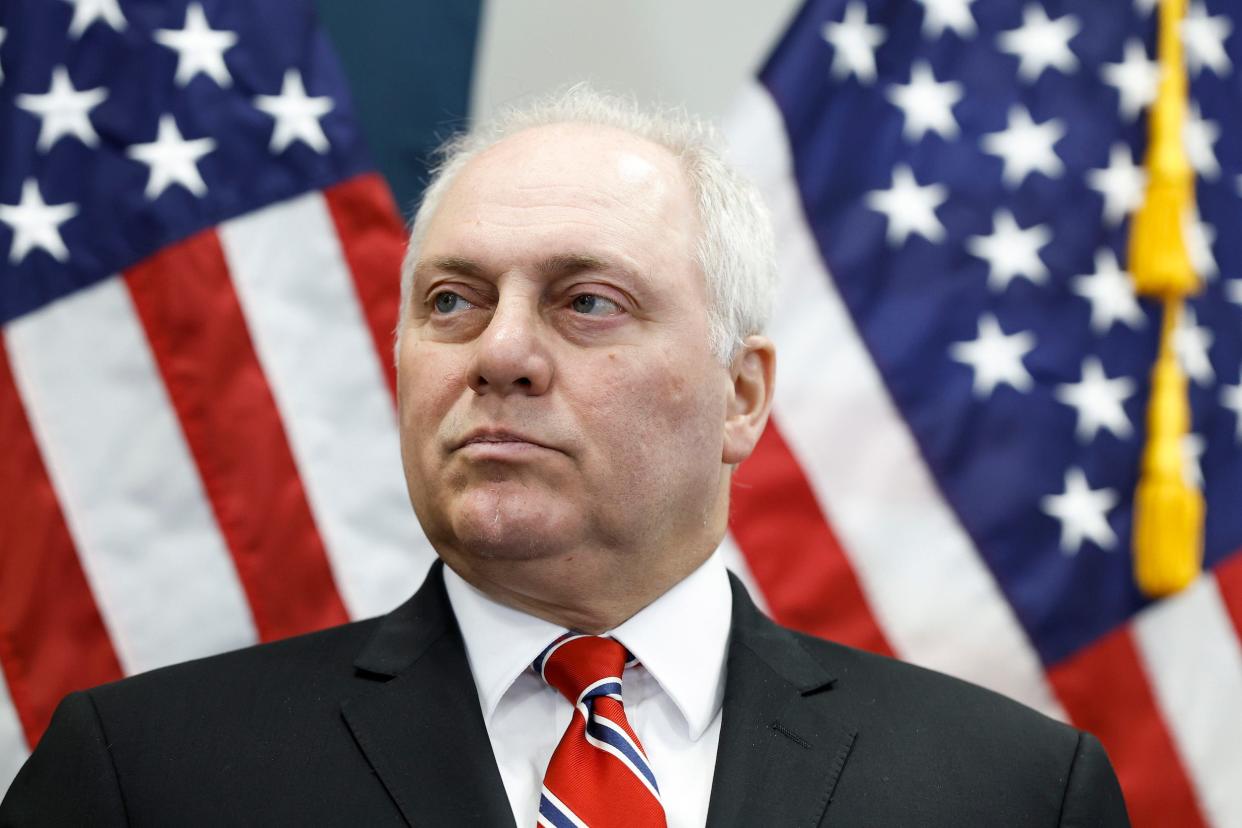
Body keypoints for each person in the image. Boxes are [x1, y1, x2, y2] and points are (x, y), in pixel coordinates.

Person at [1, 86, 1129, 827]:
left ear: (741, 398)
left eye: (587, 302)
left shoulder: (1012, 795)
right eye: (453, 300)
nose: (499, 353)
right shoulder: (144, 781)